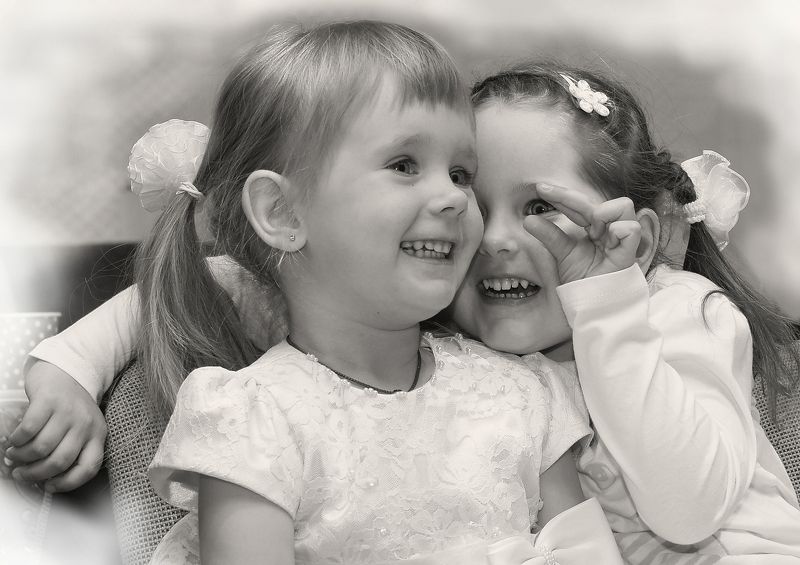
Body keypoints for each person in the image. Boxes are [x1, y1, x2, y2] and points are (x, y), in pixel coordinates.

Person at [9, 22, 624, 564]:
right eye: (404, 165)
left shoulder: (524, 393)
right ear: (282, 212)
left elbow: (582, 550)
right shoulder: (253, 421)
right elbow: (176, 293)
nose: (453, 198)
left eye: (461, 173)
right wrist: (66, 371)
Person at [449, 61, 800, 562]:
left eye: (540, 207)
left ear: (637, 245)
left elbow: (690, 510)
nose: (495, 239)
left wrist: (608, 308)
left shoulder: (680, 311)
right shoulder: (463, 369)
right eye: (474, 208)